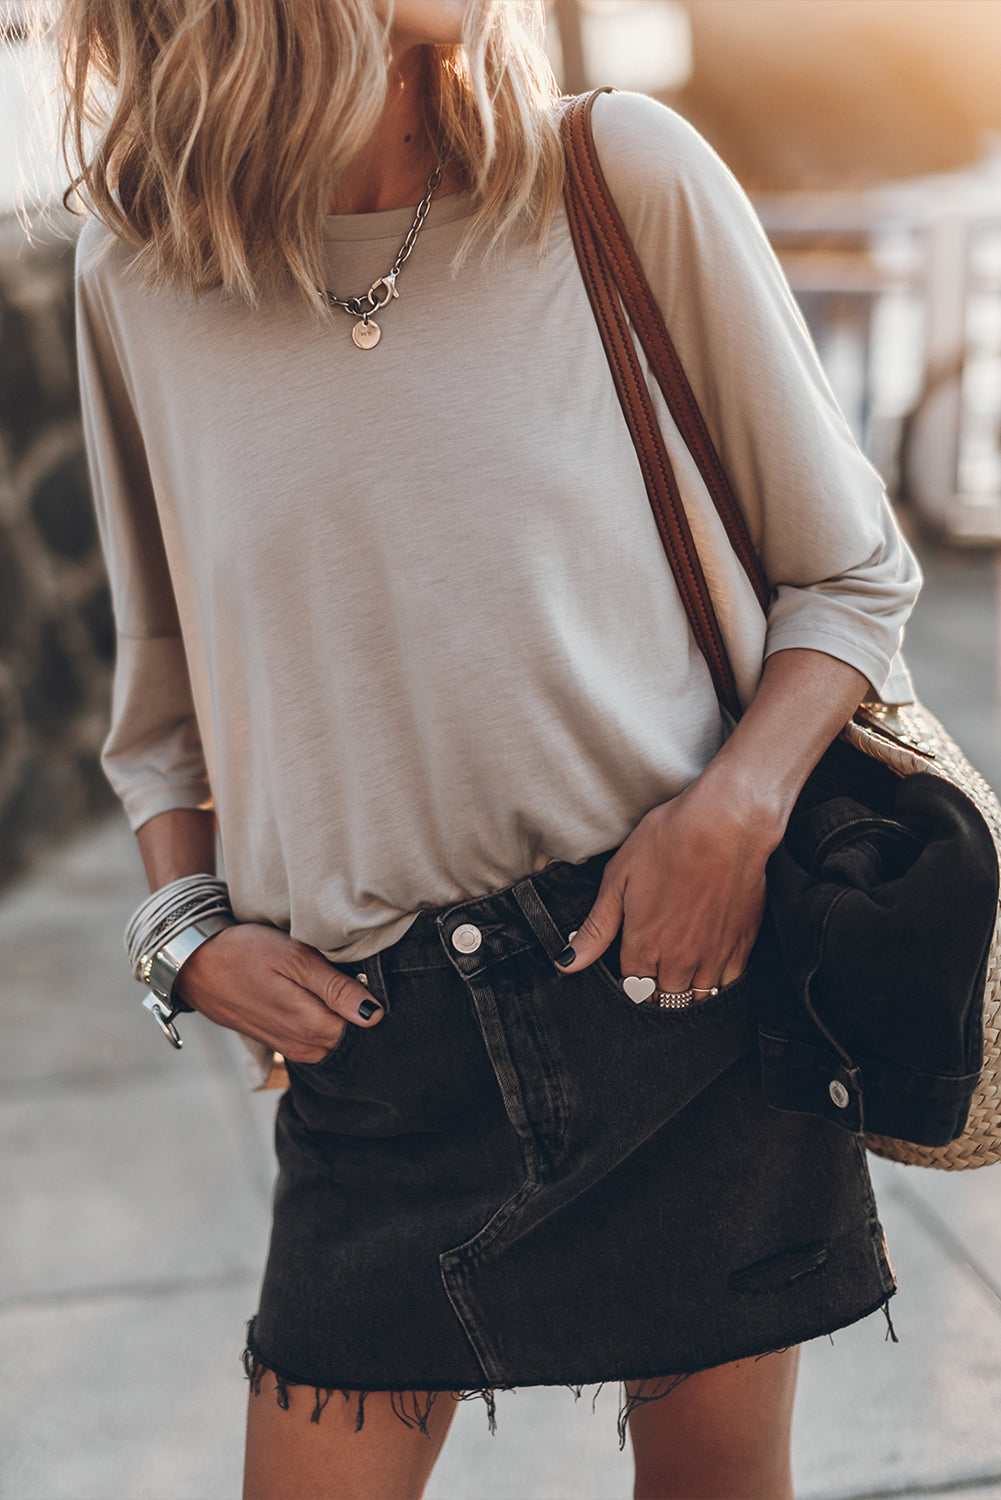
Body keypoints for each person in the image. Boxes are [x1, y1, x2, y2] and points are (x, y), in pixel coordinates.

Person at [59, 1, 921, 1496]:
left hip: (674, 979)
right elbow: (160, 685)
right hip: (379, 1049)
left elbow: (847, 575)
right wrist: (182, 934)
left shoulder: (611, 173)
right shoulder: (135, 271)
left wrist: (735, 810)